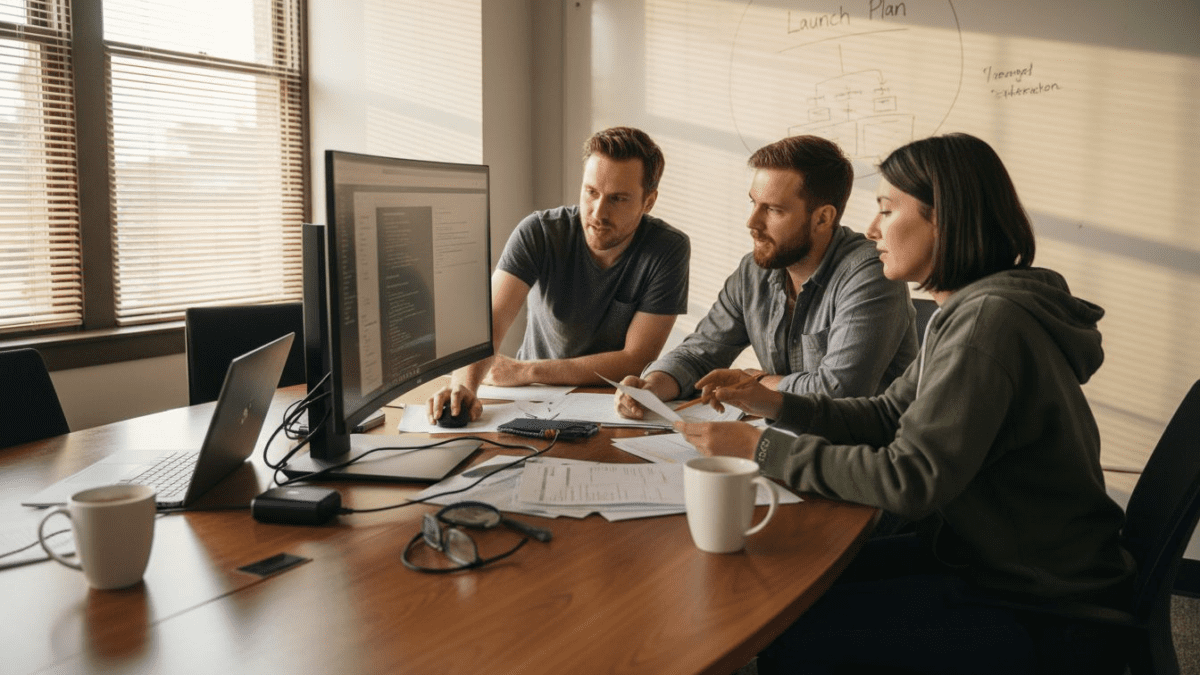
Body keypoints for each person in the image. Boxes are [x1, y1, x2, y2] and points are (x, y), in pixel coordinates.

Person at [675, 133, 1135, 674]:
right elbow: (889, 414)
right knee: (782, 585)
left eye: (887, 210)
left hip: (1040, 604)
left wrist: (763, 449)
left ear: (945, 219)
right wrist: (776, 407)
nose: (871, 229)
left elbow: (910, 479)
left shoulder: (986, 324)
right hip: (991, 557)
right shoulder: (971, 308)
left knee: (788, 629)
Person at [614, 135, 916, 421]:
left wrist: (755, 381)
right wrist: (653, 385)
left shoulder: (871, 273)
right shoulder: (755, 271)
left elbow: (838, 392)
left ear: (822, 218)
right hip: (786, 440)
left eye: (772, 209)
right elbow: (699, 354)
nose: (752, 222)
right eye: (753, 203)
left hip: (861, 454)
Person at [429, 126, 690, 423]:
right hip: (531, 399)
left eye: (618, 199)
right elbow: (488, 324)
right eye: (591, 192)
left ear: (648, 201)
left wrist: (527, 371)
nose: (598, 213)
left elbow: (636, 359)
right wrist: (461, 387)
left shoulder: (668, 249)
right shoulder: (539, 231)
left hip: (611, 405)